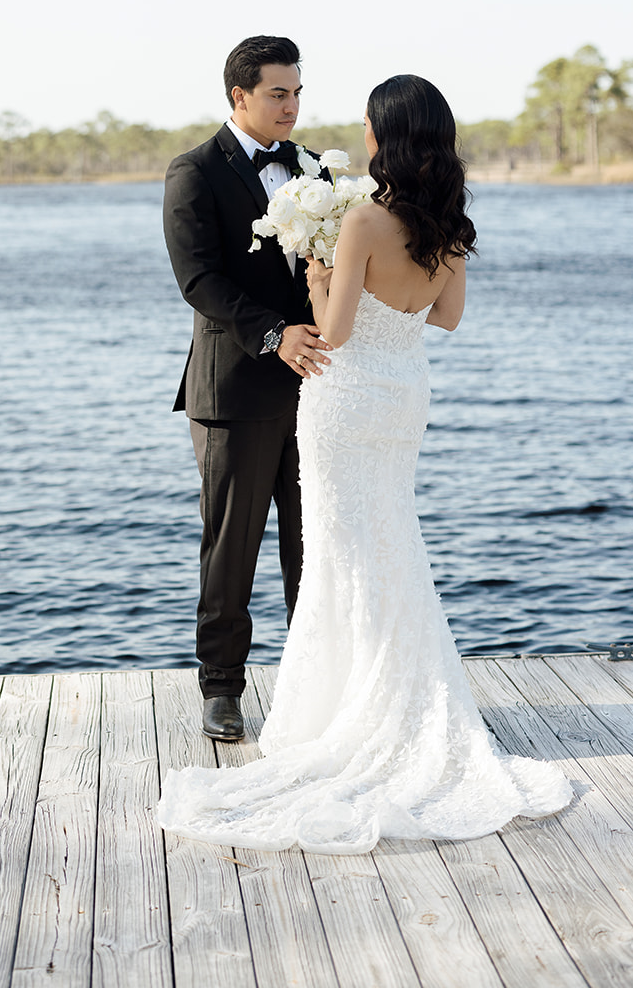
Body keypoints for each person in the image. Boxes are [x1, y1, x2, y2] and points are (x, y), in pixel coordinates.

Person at [158, 74, 573, 850]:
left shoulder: (361, 221)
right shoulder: (448, 222)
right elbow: (446, 317)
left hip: (343, 403)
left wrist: (318, 281)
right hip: (404, 398)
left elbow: (335, 332)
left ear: (384, 136)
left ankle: (343, 708)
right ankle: (396, 692)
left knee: (340, 552)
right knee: (388, 540)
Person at [163, 35, 331, 742]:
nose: (291, 105)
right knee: (231, 546)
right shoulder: (194, 172)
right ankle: (221, 689)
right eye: (277, 93)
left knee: (313, 543)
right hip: (233, 390)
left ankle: (312, 686)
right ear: (239, 96)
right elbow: (198, 281)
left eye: (296, 92)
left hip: (318, 388)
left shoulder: (319, 168)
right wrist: (274, 332)